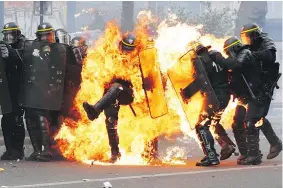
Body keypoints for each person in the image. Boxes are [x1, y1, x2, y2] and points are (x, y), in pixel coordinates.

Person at [215, 36, 264, 165]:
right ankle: (245, 153)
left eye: (228, 52)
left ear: (234, 48)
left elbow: (237, 66)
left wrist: (220, 59)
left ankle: (254, 155)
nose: (228, 55)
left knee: (249, 123)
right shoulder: (236, 57)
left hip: (253, 95)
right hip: (243, 97)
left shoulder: (245, 53)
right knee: (237, 124)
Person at [23, 23, 67, 162]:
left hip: (51, 89)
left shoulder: (59, 48)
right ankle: (37, 151)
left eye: (49, 34)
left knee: (43, 117)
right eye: (44, 35)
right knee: (30, 118)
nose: (47, 37)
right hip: (32, 88)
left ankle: (47, 150)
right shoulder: (32, 48)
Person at [186, 43, 235, 166]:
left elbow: (201, 81)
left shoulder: (200, 61)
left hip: (214, 97)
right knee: (213, 122)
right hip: (225, 96)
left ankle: (211, 156)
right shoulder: (217, 57)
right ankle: (227, 145)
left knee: (201, 125)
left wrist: (186, 93)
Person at [240, 23, 282, 160]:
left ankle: (254, 155)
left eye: (247, 37)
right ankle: (275, 143)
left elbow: (269, 56)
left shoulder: (266, 42)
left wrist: (252, 55)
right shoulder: (248, 47)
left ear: (254, 35)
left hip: (264, 88)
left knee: (251, 120)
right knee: (256, 117)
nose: (246, 40)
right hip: (254, 88)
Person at [0, 22, 25, 160]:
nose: (8, 37)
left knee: (17, 119)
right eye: (6, 34)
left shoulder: (24, 46)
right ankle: (10, 150)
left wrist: (11, 53)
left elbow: (23, 61)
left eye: (11, 34)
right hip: (6, 89)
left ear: (18, 33)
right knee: (6, 120)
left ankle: (18, 149)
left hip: (20, 89)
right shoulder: (2, 47)